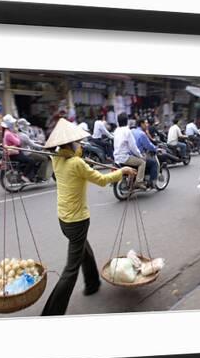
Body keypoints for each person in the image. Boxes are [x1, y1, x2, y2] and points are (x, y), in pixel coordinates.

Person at [40, 118, 137, 316]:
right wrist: (123, 171)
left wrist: (76, 153)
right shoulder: (77, 164)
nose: (80, 145)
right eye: (78, 142)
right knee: (71, 269)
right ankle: (51, 313)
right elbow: (102, 180)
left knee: (84, 248)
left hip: (64, 220)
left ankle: (92, 283)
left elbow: (53, 152)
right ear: (71, 144)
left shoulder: (57, 159)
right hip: (77, 220)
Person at [113, 113, 147, 189]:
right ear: (127, 121)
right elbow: (133, 147)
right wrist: (140, 156)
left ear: (118, 122)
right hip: (124, 158)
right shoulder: (127, 131)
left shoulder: (116, 131)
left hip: (116, 157)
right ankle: (138, 182)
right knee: (142, 162)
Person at [1, 114, 35, 183]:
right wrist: (16, 133)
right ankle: (24, 176)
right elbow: (18, 142)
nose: (13, 125)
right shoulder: (9, 134)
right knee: (31, 161)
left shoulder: (7, 132)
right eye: (12, 123)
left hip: (15, 152)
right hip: (14, 154)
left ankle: (31, 176)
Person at [132, 118, 158, 183]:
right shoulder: (141, 134)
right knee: (154, 163)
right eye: (146, 123)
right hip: (138, 155)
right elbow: (148, 145)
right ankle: (152, 182)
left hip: (130, 155)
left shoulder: (132, 131)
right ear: (141, 124)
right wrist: (156, 148)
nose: (147, 125)